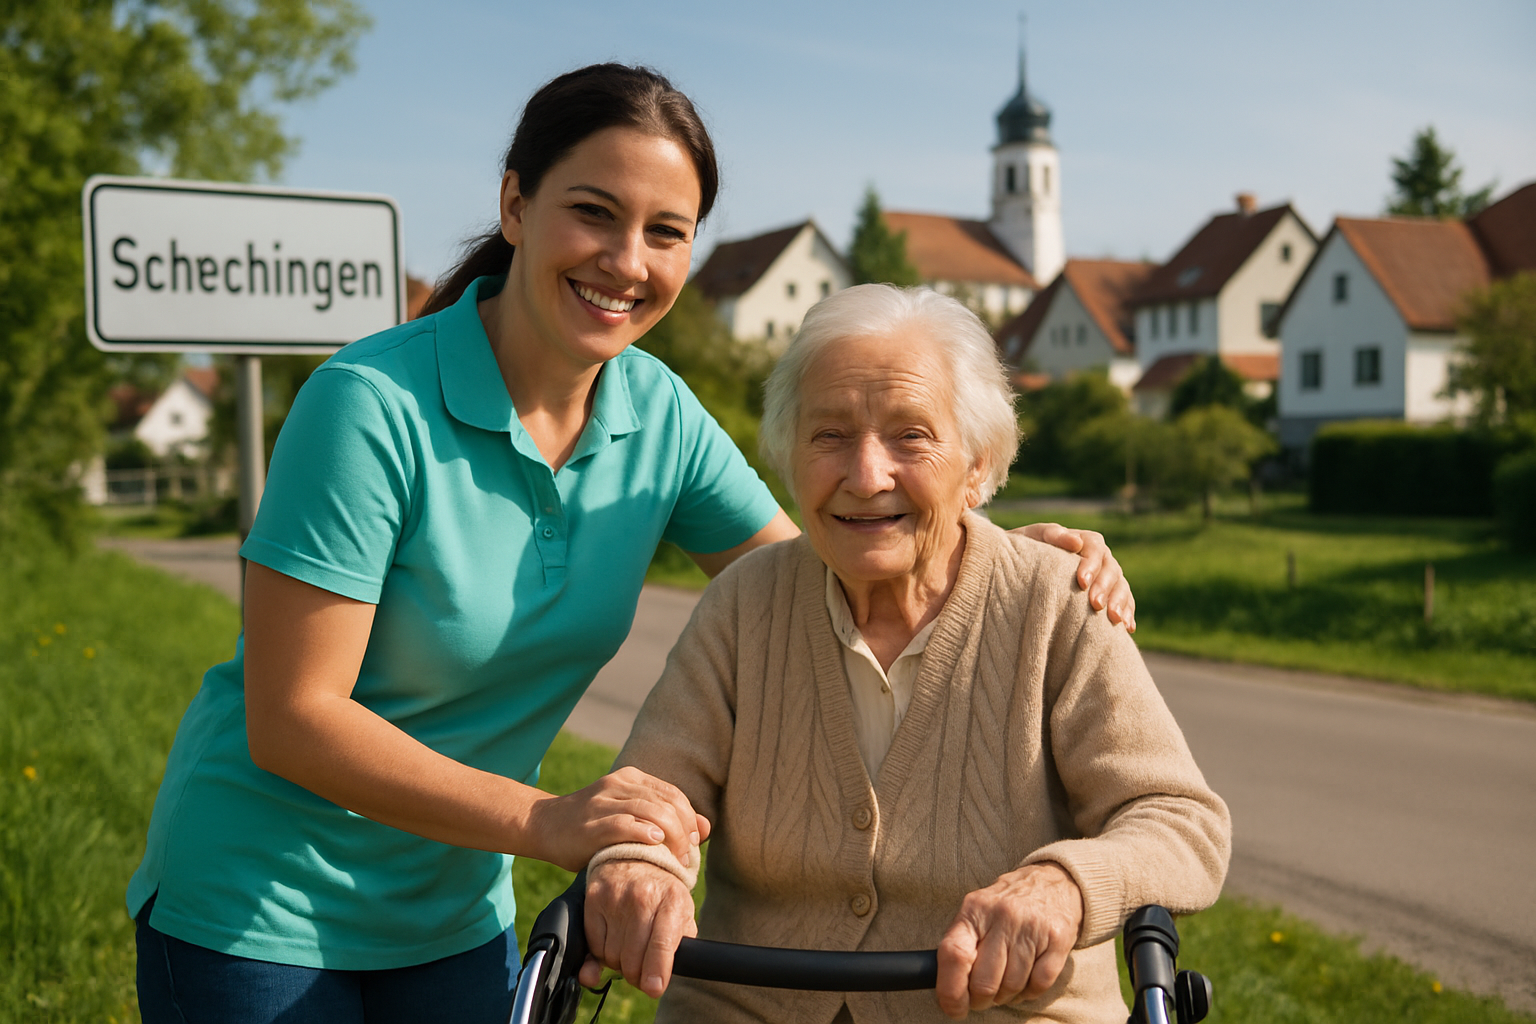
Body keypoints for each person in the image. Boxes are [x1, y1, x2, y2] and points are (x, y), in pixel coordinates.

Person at [127, 65, 1135, 1024]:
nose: (627, 261)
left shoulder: (657, 413)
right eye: (593, 212)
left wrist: (981, 547)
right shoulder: (369, 404)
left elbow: (820, 576)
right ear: (516, 206)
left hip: (448, 911)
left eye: (667, 231)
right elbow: (294, 720)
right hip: (260, 906)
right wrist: (547, 823)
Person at [580, 284, 1231, 1023]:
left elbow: (1181, 821)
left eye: (909, 436)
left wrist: (1067, 884)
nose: (865, 475)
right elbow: (646, 797)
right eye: (828, 435)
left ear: (978, 466)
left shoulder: (1056, 602)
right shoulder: (741, 605)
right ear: (790, 459)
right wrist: (639, 864)